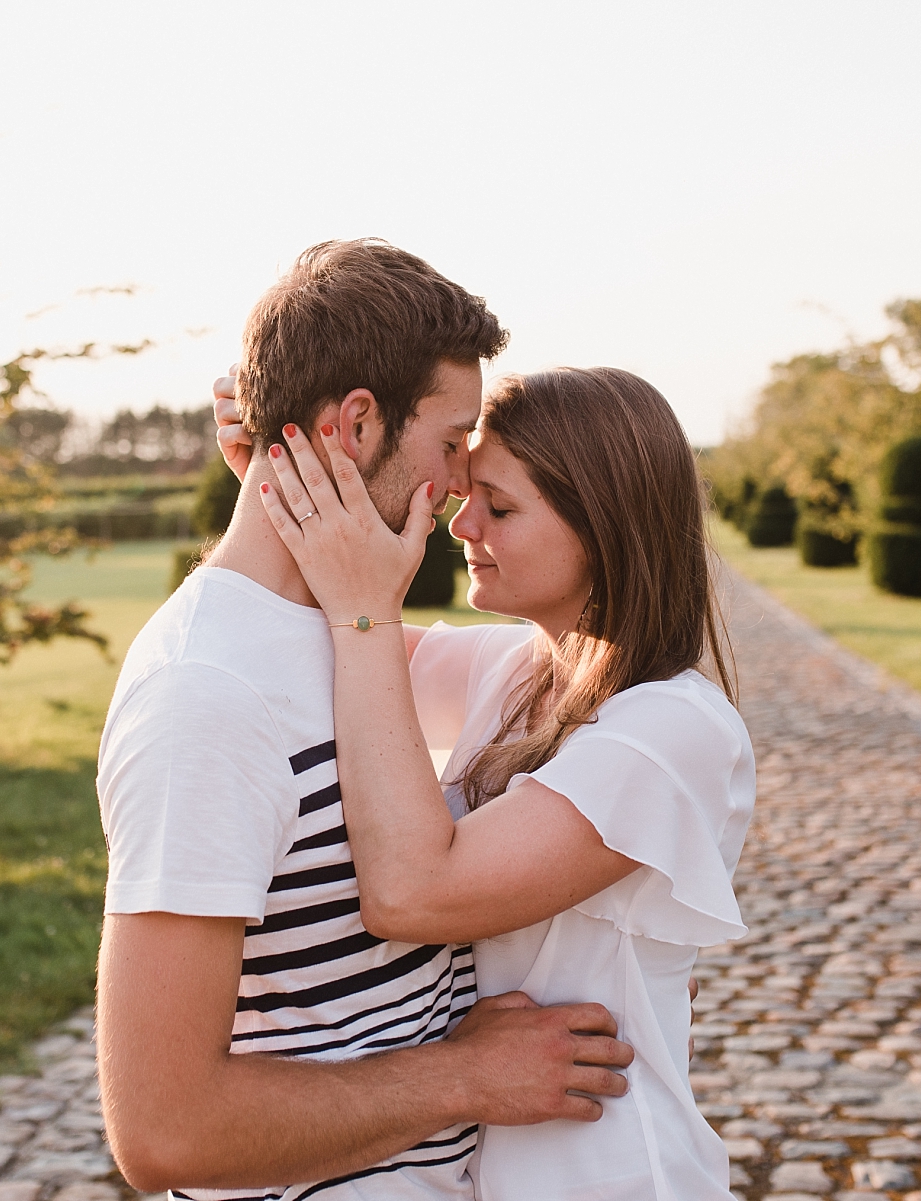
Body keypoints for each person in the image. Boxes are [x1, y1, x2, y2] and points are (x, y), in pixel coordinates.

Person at [95, 241, 635, 1201]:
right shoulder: (205, 696)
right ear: (355, 423)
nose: (463, 483)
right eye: (450, 441)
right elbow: (166, 1131)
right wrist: (466, 1076)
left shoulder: (346, 628)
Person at [240, 366, 756, 1200]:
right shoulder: (520, 670)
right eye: (469, 493)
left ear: (605, 525)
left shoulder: (673, 730)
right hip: (484, 1160)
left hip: (606, 1167)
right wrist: (280, 462)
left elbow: (413, 890)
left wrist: (368, 601)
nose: (461, 521)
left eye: (500, 508)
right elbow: (315, 647)